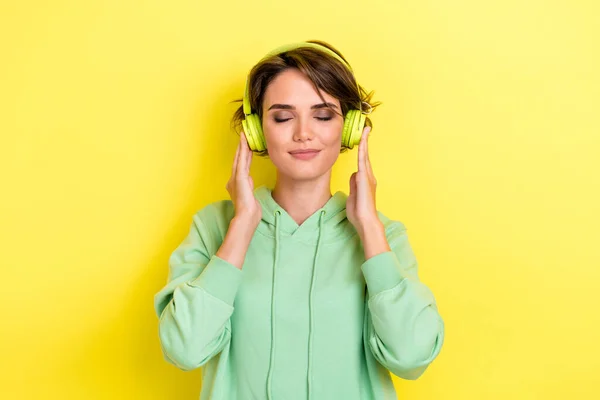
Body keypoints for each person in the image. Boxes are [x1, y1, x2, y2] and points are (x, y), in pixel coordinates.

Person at [153, 40, 445, 400]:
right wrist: (242, 224)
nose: (303, 133)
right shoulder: (214, 226)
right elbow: (184, 349)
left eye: (323, 115)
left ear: (349, 128)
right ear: (257, 130)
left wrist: (369, 227)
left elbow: (412, 357)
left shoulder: (383, 236)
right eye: (282, 116)